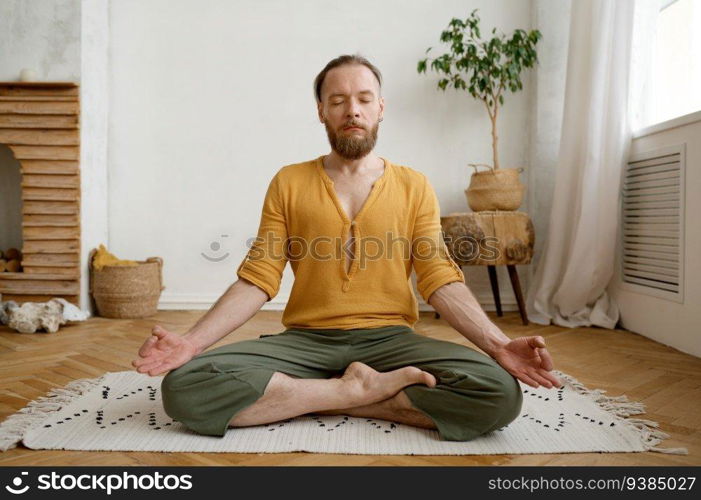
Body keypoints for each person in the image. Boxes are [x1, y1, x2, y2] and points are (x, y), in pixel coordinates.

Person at [132, 54, 562, 442]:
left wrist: (498, 344)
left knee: (498, 393)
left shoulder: (414, 185)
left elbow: (439, 278)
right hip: (306, 341)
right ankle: (352, 391)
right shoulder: (289, 181)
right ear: (321, 111)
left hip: (391, 340)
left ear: (380, 108)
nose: (351, 109)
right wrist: (191, 343)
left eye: (363, 98)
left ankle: (310, 397)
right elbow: (258, 278)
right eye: (337, 100)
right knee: (185, 387)